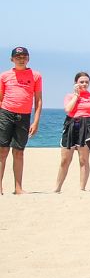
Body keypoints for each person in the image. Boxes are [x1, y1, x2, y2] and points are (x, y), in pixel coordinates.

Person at [0, 46, 42, 196]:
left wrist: (35, 122)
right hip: (5, 113)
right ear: (12, 59)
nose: (21, 58)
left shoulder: (36, 75)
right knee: (2, 151)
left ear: (28, 58)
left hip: (24, 116)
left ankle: (18, 188)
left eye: (24, 56)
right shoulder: (4, 76)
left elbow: (38, 100)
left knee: (19, 152)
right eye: (18, 56)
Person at [55, 71, 90, 192]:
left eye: (86, 82)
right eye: (81, 82)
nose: (84, 84)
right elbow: (68, 109)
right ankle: (57, 188)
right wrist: (76, 95)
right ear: (76, 83)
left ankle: (82, 188)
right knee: (65, 160)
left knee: (83, 160)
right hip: (71, 125)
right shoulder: (69, 96)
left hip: (86, 127)